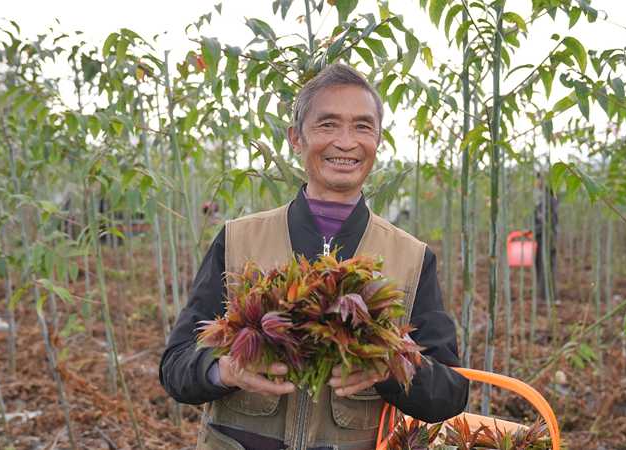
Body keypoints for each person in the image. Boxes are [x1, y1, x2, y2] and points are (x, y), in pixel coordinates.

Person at [159, 64, 469, 450]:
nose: (345, 141)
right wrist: (225, 370)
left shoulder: (410, 257)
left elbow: (451, 393)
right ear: (296, 138)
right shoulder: (239, 239)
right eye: (327, 124)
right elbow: (175, 368)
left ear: (378, 140)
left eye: (362, 126)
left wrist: (389, 369)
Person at [534, 173, 558, 303]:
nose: (536, 183)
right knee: (540, 264)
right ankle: (543, 294)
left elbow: (548, 222)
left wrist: (536, 229)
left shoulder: (549, 199)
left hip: (547, 238)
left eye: (538, 180)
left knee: (546, 265)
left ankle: (549, 296)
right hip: (541, 237)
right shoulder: (542, 199)